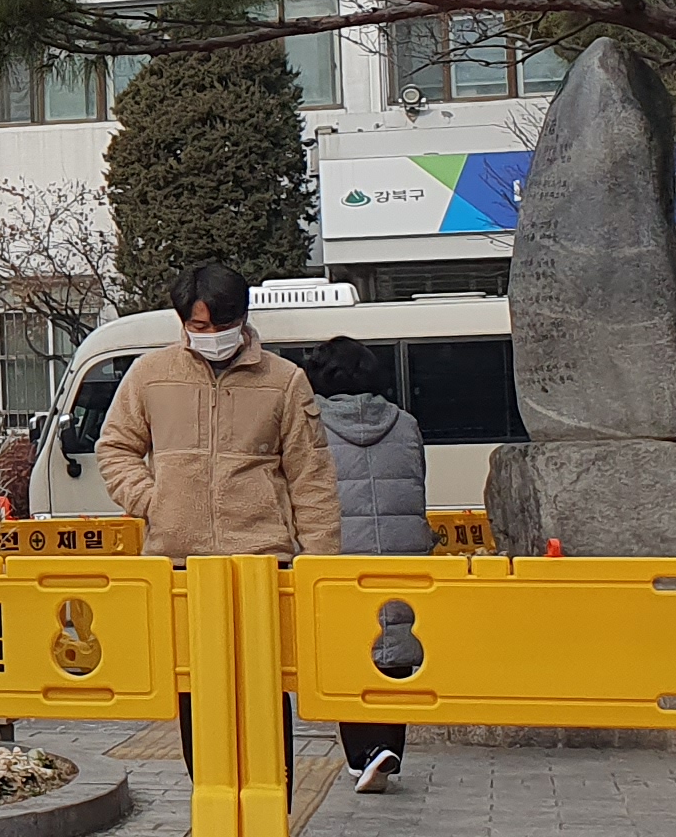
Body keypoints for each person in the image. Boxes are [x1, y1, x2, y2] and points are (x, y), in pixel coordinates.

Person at [98, 264, 339, 781]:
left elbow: (311, 477)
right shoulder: (149, 374)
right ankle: (210, 804)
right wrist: (152, 499)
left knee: (266, 693)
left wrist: (319, 563)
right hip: (179, 562)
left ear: (241, 317)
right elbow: (115, 448)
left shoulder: (284, 380)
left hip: (263, 561)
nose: (208, 336)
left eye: (217, 324)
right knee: (194, 692)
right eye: (197, 326)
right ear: (182, 321)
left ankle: (273, 813)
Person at [299, 336, 431, 792]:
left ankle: (364, 754)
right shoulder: (407, 424)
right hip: (403, 556)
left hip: (339, 556)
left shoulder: (309, 427)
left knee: (347, 653)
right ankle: (388, 749)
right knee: (394, 645)